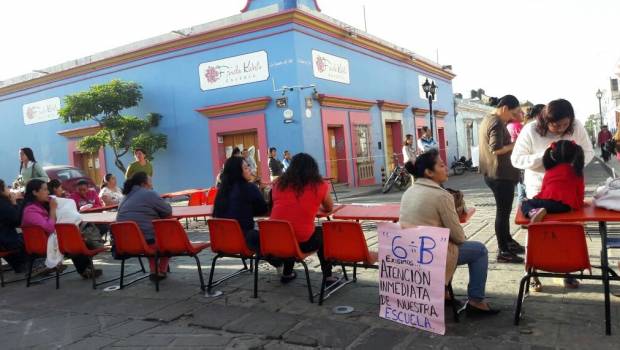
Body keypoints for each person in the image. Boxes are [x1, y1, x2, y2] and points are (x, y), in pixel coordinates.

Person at [400, 150, 498, 316]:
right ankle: (476, 301)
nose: (446, 168)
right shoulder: (442, 195)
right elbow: (459, 236)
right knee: (479, 250)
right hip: (431, 253)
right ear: (429, 172)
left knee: (449, 243)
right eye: (441, 165)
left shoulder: (409, 191)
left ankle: (444, 294)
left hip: (409, 251)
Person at [520, 140, 585, 291]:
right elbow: (580, 193)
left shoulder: (550, 172)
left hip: (548, 206)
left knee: (525, 203)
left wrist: (537, 202)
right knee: (565, 240)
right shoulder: (576, 171)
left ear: (553, 156)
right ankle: (567, 274)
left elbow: (545, 192)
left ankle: (533, 212)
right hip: (566, 207)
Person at [270, 153, 335, 284]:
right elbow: (329, 208)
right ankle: (328, 276)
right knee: (322, 233)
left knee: (288, 231)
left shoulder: (278, 184)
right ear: (313, 169)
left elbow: (277, 204)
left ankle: (287, 274)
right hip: (302, 243)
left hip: (274, 241)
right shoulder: (319, 185)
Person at [511, 99, 594, 201]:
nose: (561, 129)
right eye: (556, 125)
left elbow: (588, 152)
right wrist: (545, 155)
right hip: (538, 188)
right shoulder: (530, 130)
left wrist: (572, 165)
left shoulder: (576, 126)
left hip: (569, 187)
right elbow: (516, 159)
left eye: (565, 124)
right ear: (546, 121)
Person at [21, 179, 100, 278]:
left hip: (50, 240)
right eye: (45, 190)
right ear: (35, 192)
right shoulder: (30, 210)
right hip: (43, 244)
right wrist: (53, 209)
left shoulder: (39, 206)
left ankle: (86, 267)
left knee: (75, 234)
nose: (48, 192)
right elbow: (50, 228)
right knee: (75, 239)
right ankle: (86, 267)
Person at [479, 95, 524, 263]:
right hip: (500, 175)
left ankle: (508, 242)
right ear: (504, 108)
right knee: (502, 213)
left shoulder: (488, 119)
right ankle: (503, 250)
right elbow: (495, 148)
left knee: (503, 212)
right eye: (513, 114)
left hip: (494, 174)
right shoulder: (497, 122)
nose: (513, 118)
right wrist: (515, 144)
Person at [116, 172, 172, 281]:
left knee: (147, 234)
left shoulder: (124, 197)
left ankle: (154, 269)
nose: (152, 185)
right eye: (150, 182)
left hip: (125, 243)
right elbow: (167, 210)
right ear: (143, 184)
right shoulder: (149, 194)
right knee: (168, 240)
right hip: (146, 241)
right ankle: (161, 270)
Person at [212, 157, 269, 252]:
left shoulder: (221, 191)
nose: (250, 170)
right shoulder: (249, 187)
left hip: (222, 241)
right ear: (238, 172)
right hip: (244, 240)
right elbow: (263, 210)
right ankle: (280, 264)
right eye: (246, 168)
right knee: (272, 236)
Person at [0, 179, 29, 273]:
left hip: (4, 240)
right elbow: (17, 221)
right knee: (30, 237)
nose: (8, 189)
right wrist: (14, 203)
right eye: (6, 187)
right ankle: (25, 266)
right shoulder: (2, 203)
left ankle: (19, 266)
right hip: (6, 242)